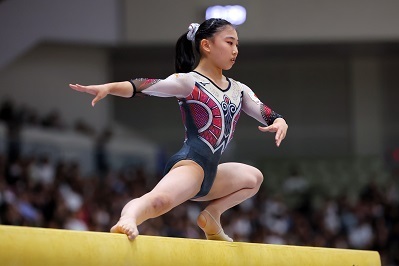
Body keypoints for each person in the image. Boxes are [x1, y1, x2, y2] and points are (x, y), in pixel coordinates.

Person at [69, 18, 288, 242]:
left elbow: (265, 111)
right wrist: (109, 87)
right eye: (230, 43)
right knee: (159, 201)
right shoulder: (189, 82)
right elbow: (144, 86)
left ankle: (212, 215)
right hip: (191, 165)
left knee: (253, 178)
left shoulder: (239, 89)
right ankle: (129, 217)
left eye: (237, 45)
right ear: (206, 45)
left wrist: (279, 121)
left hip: (211, 174)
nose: (235, 50)